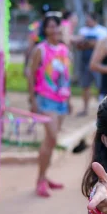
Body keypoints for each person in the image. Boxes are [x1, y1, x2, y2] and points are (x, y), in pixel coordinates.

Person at [27, 15, 72, 198]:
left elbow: (65, 76)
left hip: (61, 100)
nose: (54, 30)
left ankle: (44, 177)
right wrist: (33, 100)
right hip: (46, 99)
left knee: (50, 140)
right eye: (50, 26)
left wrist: (69, 100)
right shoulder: (40, 49)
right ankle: (40, 180)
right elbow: (30, 75)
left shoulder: (63, 49)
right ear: (45, 30)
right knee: (52, 137)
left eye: (57, 26)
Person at [72, 11, 107, 116]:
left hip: (98, 64)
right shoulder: (83, 30)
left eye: (89, 20)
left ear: (95, 20)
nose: (87, 22)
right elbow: (79, 46)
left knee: (100, 87)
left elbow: (102, 46)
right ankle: (85, 109)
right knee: (85, 86)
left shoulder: (102, 31)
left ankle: (102, 110)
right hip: (85, 63)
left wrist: (87, 43)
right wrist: (91, 44)